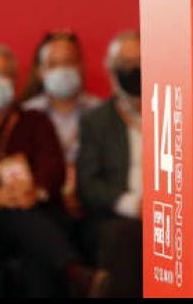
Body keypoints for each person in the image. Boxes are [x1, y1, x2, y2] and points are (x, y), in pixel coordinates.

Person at [0, 43, 99, 296]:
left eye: (2, 74)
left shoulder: (34, 120)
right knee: (18, 218)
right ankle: (73, 271)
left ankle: (72, 272)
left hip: (37, 210)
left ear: (14, 81)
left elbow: (53, 168)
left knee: (34, 243)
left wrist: (36, 190)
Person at [76, 31, 145, 298]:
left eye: (140, 61)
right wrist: (132, 204)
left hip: (180, 209)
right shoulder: (96, 120)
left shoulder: (181, 108)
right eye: (125, 63)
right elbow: (88, 183)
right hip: (121, 214)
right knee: (121, 238)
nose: (133, 70)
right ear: (111, 69)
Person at [20, 30, 102, 215]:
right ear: (40, 72)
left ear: (81, 66)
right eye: (53, 64)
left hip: (94, 205)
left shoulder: (102, 112)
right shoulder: (25, 114)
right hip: (42, 206)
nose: (62, 70)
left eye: (68, 62)